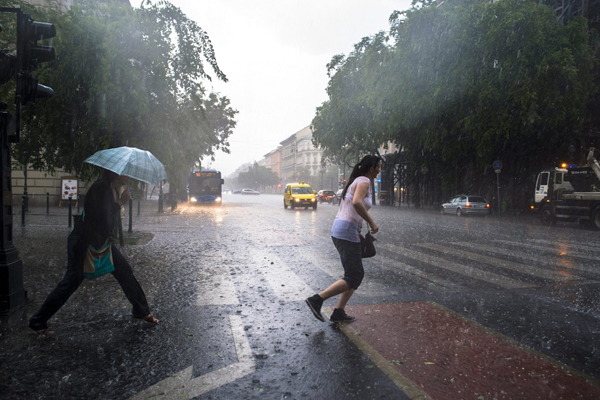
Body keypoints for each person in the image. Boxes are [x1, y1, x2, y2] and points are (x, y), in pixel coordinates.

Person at [29, 169, 158, 334]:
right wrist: (119, 203)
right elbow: (99, 217)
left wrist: (119, 202)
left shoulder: (112, 188)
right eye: (127, 173)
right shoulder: (100, 187)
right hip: (84, 242)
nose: (129, 177)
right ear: (116, 174)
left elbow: (107, 220)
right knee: (69, 283)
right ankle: (38, 321)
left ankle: (141, 310)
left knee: (125, 272)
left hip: (101, 242)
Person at [306, 155, 381, 322]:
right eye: (378, 167)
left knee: (354, 274)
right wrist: (372, 223)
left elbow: (349, 209)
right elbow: (356, 203)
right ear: (371, 168)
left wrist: (358, 230)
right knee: (354, 275)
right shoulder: (364, 182)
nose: (379, 170)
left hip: (345, 229)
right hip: (345, 231)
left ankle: (339, 311)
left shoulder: (355, 181)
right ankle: (317, 299)